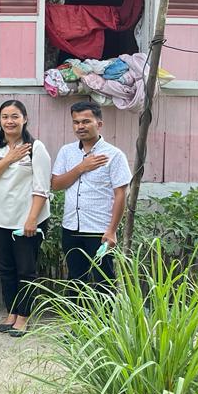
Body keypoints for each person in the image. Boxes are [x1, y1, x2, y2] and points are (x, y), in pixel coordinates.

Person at [0, 100, 51, 338]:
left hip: (26, 220)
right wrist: (8, 159)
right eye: (5, 116)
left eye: (15, 116)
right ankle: (11, 312)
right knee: (6, 268)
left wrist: (32, 219)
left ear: (25, 119)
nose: (10, 121)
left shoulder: (36, 147)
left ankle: (24, 316)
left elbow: (42, 188)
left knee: (26, 270)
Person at [51, 101, 130, 285]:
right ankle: (75, 315)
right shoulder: (66, 152)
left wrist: (112, 231)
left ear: (99, 124)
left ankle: (107, 315)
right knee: (75, 279)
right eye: (76, 122)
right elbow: (56, 184)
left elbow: (120, 194)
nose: (80, 126)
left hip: (99, 230)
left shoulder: (114, 155)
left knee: (104, 280)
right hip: (71, 227)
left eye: (86, 121)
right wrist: (81, 167)